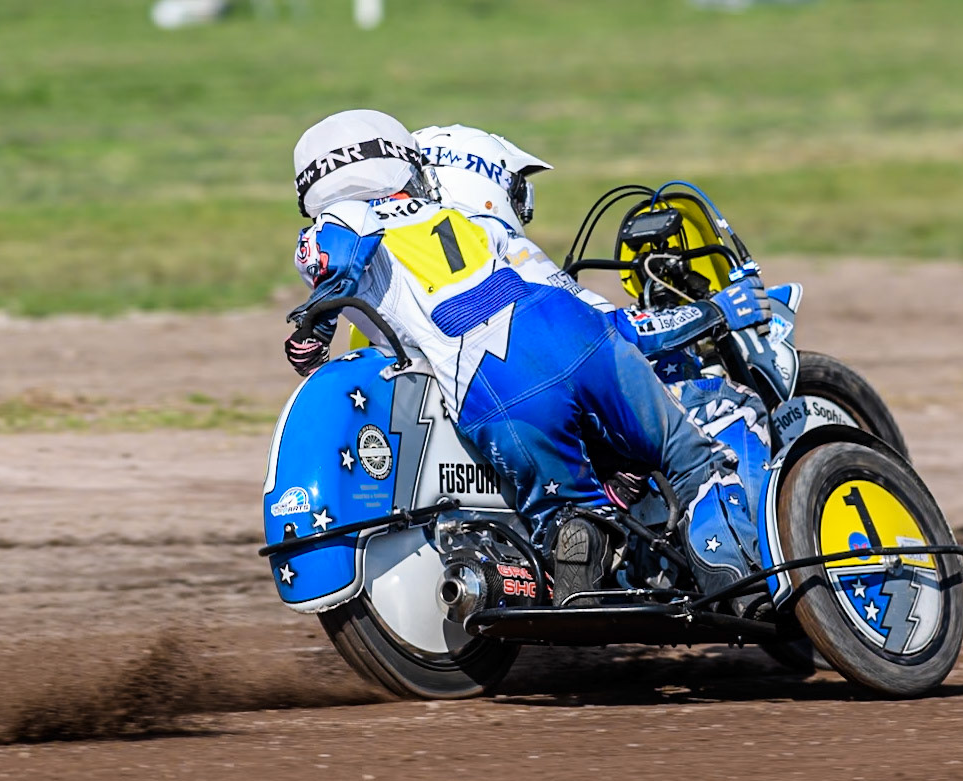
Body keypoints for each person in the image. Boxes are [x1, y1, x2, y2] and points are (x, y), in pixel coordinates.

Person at [286, 109, 768, 609]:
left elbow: (336, 256)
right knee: (697, 457)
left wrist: (316, 325)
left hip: (492, 381)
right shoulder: (461, 220)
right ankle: (735, 581)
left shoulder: (332, 226)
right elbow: (602, 316)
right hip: (571, 332)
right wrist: (713, 310)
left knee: (565, 511)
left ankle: (578, 564)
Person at [412, 123, 772, 504]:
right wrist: (715, 310)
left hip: (463, 430)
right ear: (481, 181)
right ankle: (751, 556)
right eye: (516, 189)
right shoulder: (487, 240)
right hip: (544, 415)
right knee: (735, 405)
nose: (522, 206)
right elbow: (607, 335)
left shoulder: (402, 255)